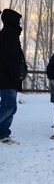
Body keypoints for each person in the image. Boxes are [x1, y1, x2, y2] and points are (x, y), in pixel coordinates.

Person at [0, 9, 27, 145]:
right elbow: (12, 59)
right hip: (7, 77)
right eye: (18, 20)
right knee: (8, 107)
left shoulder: (9, 34)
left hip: (10, 77)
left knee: (11, 107)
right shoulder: (9, 34)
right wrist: (15, 76)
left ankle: (3, 134)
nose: (19, 23)